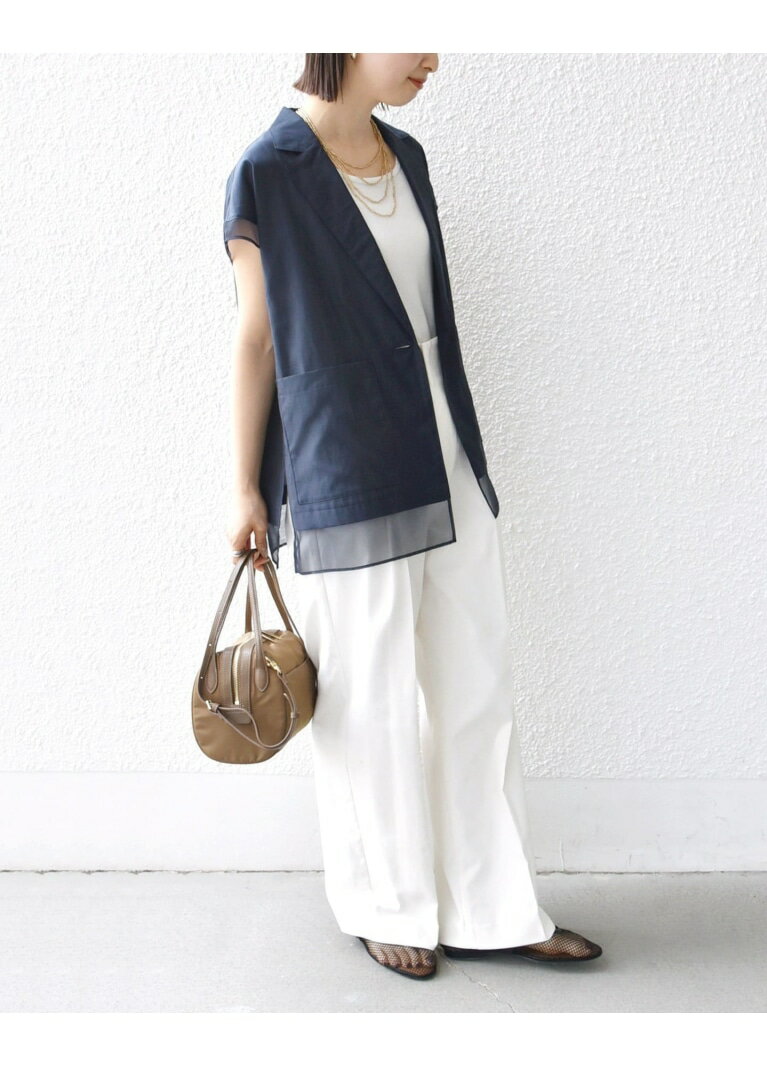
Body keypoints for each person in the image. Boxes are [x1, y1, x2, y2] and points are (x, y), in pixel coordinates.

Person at [223, 53, 603, 980]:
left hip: (444, 441)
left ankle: (493, 903)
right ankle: (383, 901)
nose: (433, 54)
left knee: (476, 678)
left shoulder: (408, 155)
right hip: (347, 454)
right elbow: (257, 338)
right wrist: (243, 487)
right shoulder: (269, 169)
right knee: (368, 689)